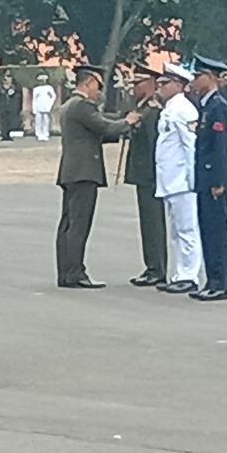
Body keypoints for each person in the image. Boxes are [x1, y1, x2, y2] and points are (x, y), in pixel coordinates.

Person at [54, 64, 140, 289]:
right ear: (89, 82)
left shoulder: (70, 106)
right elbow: (104, 127)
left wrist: (119, 122)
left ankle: (66, 271)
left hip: (72, 170)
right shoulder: (81, 106)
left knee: (68, 223)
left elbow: (94, 133)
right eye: (98, 86)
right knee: (79, 224)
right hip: (83, 172)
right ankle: (75, 272)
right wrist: (127, 123)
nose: (100, 91)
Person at [154, 63, 204, 295]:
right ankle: (179, 273)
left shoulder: (184, 109)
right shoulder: (170, 108)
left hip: (183, 181)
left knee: (187, 230)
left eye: (164, 83)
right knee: (175, 231)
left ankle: (189, 275)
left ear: (179, 85)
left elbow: (190, 147)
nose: (159, 87)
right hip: (170, 180)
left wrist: (193, 181)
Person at [190, 55, 227, 302]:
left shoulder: (218, 106)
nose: (195, 81)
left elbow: (220, 145)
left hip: (215, 178)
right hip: (205, 177)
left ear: (211, 77)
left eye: (199, 76)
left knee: (217, 232)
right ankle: (212, 280)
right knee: (207, 231)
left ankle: (220, 284)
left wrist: (219, 180)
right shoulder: (206, 105)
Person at [124, 65, 166, 287]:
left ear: (151, 83)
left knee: (153, 223)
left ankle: (156, 268)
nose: (134, 88)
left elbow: (152, 147)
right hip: (143, 175)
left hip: (149, 175)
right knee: (147, 222)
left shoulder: (152, 111)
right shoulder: (141, 108)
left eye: (138, 83)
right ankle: (152, 266)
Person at [0, 72, 21, 142]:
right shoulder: (0, 88)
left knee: (10, 121)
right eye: (6, 77)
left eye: (9, 77)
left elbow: (18, 96)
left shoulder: (15, 87)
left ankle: (8, 134)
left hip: (11, 107)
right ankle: (4, 135)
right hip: (3, 107)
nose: (7, 79)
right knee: (3, 122)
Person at [31, 73, 57, 142]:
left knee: (46, 121)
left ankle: (45, 134)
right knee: (38, 121)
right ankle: (39, 134)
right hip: (39, 107)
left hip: (46, 106)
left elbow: (53, 96)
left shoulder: (49, 88)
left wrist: (50, 104)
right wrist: (34, 108)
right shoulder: (36, 89)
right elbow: (34, 99)